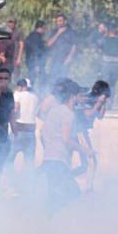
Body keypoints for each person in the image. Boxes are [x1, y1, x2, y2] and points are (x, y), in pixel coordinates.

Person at [39, 80, 87, 208]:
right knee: (72, 193)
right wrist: (85, 150)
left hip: (50, 159)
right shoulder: (68, 114)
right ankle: (47, 221)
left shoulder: (54, 111)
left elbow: (42, 133)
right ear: (73, 97)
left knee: (54, 197)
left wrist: (48, 149)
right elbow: (67, 140)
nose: (80, 99)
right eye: (79, 96)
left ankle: (44, 223)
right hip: (59, 162)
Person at [11, 77, 38, 172]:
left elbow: (16, 109)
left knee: (9, 159)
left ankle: (7, 182)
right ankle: (28, 183)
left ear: (22, 86)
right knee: (29, 162)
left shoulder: (17, 94)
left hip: (19, 129)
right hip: (31, 131)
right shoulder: (35, 97)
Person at [46, 13, 76, 83]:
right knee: (53, 78)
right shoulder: (54, 31)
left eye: (61, 21)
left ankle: (63, 93)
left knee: (64, 78)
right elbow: (49, 44)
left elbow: (74, 45)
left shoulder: (70, 31)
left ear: (64, 21)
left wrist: (70, 57)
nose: (59, 22)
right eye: (57, 21)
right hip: (55, 59)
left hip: (65, 59)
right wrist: (58, 33)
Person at [99, 24, 118, 98]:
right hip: (115, 64)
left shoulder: (105, 40)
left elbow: (100, 47)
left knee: (105, 82)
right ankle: (110, 101)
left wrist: (105, 35)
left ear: (109, 32)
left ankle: (104, 100)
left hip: (106, 63)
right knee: (113, 84)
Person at [24, 20, 47, 90]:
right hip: (34, 63)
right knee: (32, 81)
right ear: (40, 28)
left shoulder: (35, 36)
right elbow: (35, 52)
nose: (45, 30)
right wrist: (36, 65)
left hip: (34, 63)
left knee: (36, 80)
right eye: (44, 28)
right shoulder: (35, 37)